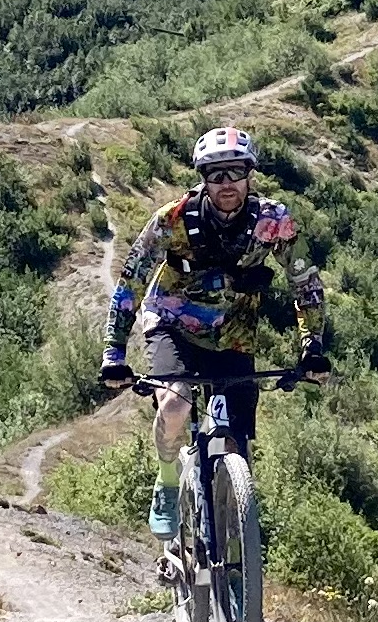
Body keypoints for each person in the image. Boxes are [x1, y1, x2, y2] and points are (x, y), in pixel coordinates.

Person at [100, 124, 330, 552]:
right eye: (215, 173)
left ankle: (233, 535)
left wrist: (312, 347)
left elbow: (306, 284)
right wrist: (114, 351)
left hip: (233, 335)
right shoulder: (172, 220)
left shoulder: (273, 221)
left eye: (235, 172)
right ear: (203, 178)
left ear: (250, 174)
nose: (227, 183)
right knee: (175, 404)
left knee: (237, 440)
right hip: (172, 321)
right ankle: (168, 480)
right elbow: (130, 283)